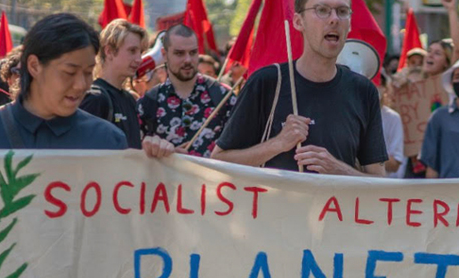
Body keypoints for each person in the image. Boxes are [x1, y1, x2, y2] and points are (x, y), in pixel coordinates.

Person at [0, 13, 175, 159]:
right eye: (69, 73)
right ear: (34, 66)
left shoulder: (108, 140)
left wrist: (153, 161)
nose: (81, 85)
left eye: (88, 73)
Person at [211, 0, 387, 175]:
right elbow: (219, 161)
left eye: (342, 11)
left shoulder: (364, 91)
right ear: (298, 21)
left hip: (337, 196)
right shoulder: (266, 82)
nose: (334, 19)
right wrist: (277, 144)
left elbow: (379, 181)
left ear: (349, 24)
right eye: (322, 10)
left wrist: (340, 170)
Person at [137, 24, 236, 157]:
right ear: (165, 55)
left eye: (193, 52)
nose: (188, 60)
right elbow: (133, 158)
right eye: (179, 53)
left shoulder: (224, 97)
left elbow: (241, 150)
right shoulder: (147, 103)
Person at [80, 19, 148, 149]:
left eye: (141, 52)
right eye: (132, 51)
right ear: (109, 51)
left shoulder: (130, 99)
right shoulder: (95, 98)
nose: (139, 59)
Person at [378, 74, 405, 178]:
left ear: (385, 88)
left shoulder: (393, 118)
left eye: (379, 83)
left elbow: (394, 165)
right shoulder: (349, 114)